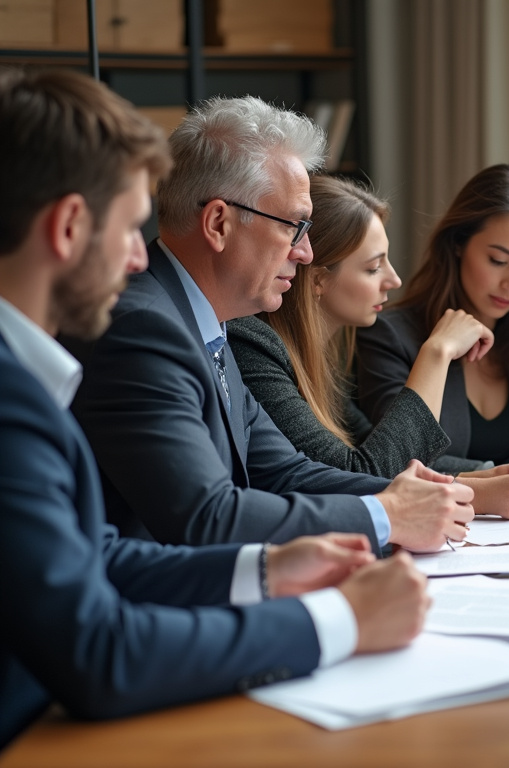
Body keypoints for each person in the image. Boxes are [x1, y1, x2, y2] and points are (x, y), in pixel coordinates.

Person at [0, 68, 429, 749]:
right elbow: (101, 651)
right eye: (130, 227)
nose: (141, 256)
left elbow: (99, 553)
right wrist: (340, 622)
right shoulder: (19, 396)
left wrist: (265, 569)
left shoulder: (34, 374)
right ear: (70, 226)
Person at [68, 94, 474, 552]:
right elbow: (207, 516)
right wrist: (385, 513)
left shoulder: (206, 324)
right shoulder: (144, 330)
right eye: (294, 227)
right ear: (218, 223)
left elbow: (285, 472)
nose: (306, 253)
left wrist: (410, 497)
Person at [229, 176, 509, 517]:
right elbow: (365, 473)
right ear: (318, 279)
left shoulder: (318, 359)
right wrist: (437, 352)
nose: (394, 280)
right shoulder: (252, 345)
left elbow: (373, 448)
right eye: (373, 267)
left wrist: (483, 471)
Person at [355, 163, 509, 497]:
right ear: (458, 244)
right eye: (498, 261)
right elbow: (392, 461)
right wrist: (491, 478)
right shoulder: (389, 336)